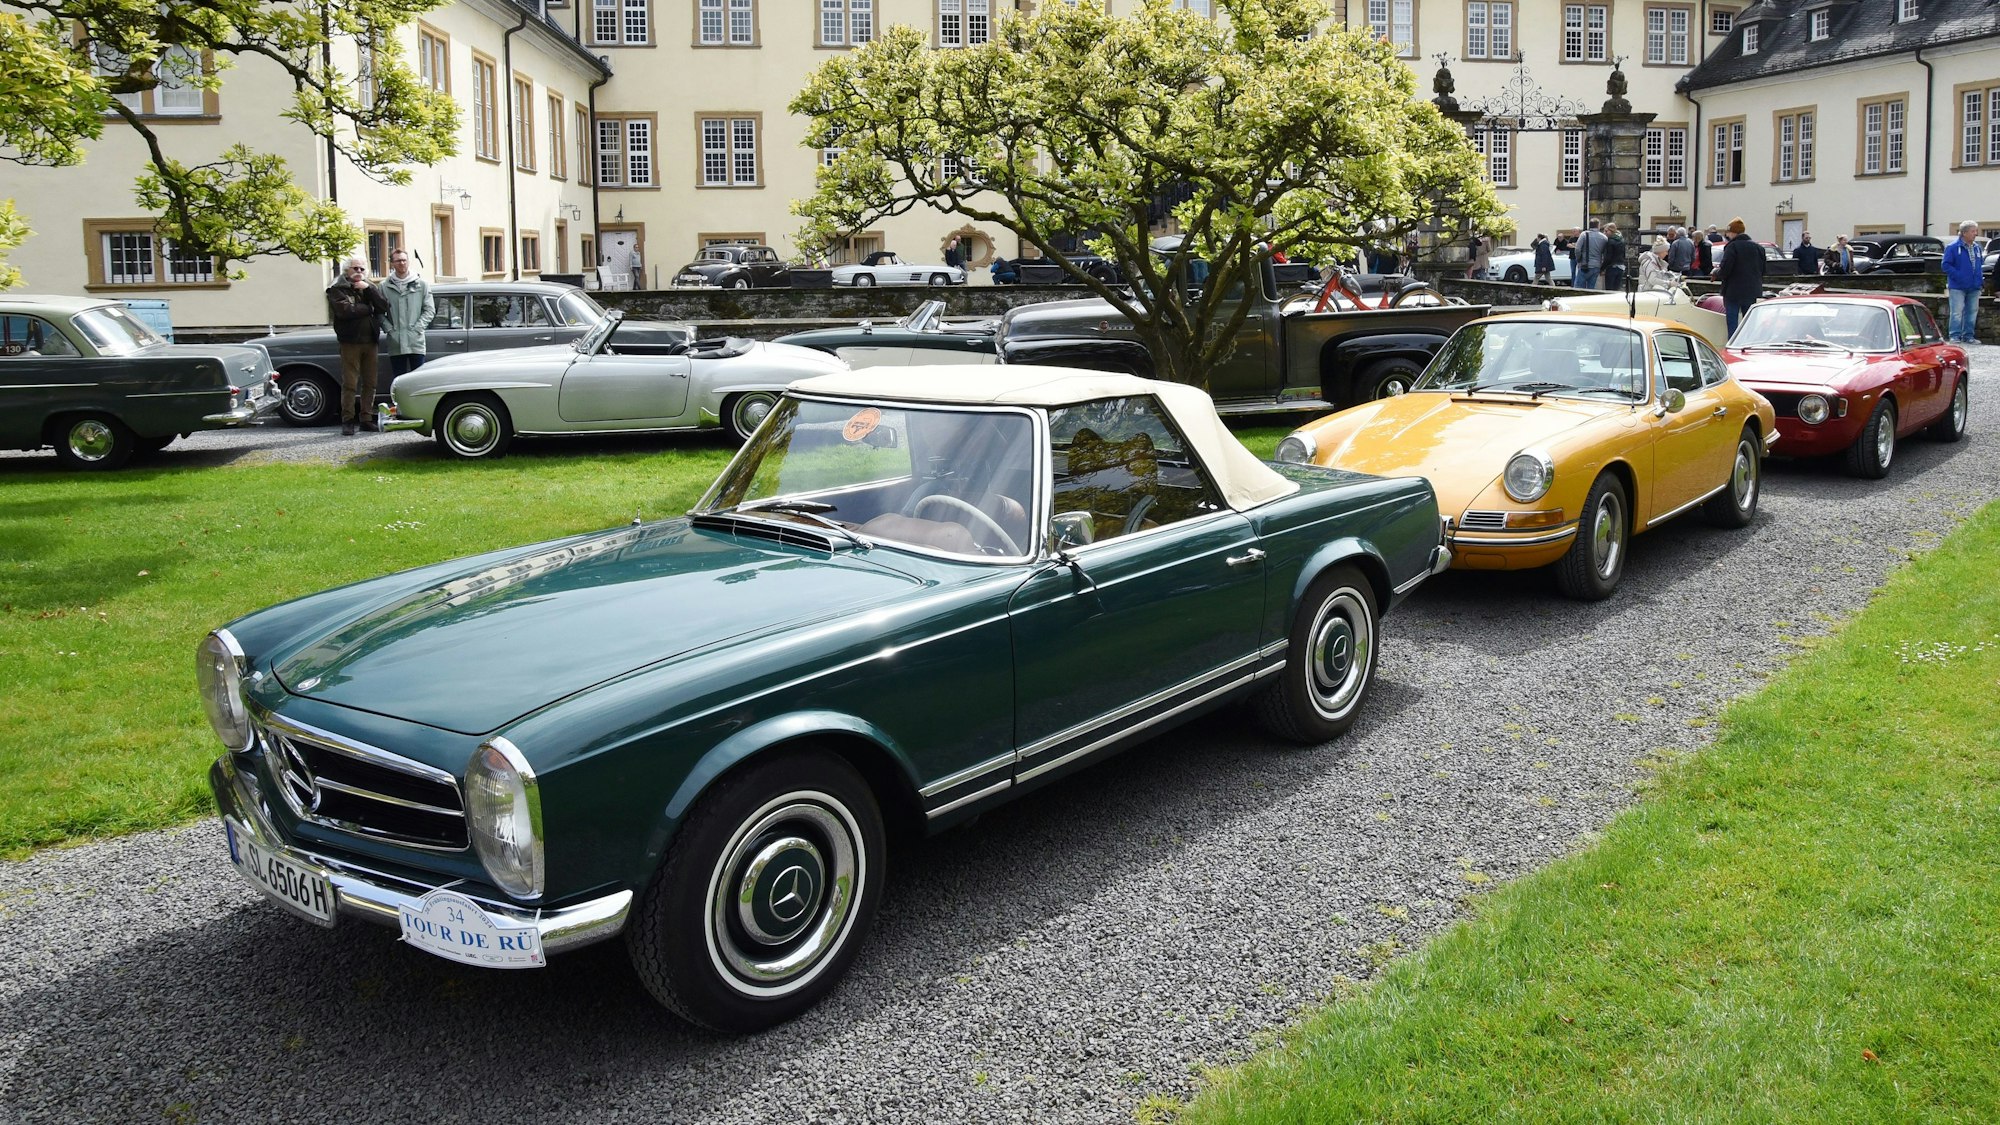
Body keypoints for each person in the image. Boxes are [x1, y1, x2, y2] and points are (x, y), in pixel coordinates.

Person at [325, 254, 390, 436]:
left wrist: (369, 290)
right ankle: (347, 420)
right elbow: (345, 311)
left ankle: (366, 419)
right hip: (350, 342)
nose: (359, 271)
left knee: (370, 382)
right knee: (350, 383)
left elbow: (384, 306)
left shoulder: (369, 287)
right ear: (347, 270)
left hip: (370, 341)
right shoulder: (337, 288)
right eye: (355, 268)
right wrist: (368, 308)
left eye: (362, 269)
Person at [381, 249, 434, 380]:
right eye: (398, 260)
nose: (402, 263)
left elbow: (429, 310)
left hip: (416, 341)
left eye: (404, 260)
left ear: (408, 262)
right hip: (396, 342)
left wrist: (417, 329)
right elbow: (378, 312)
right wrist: (389, 329)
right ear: (392, 263)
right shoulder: (384, 286)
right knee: (399, 379)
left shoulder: (421, 285)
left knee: (418, 379)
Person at [1715, 217, 1768, 336]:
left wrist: (1716, 272)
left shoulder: (1732, 247)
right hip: (1752, 291)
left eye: (1728, 232)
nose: (1727, 235)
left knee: (1732, 325)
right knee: (1749, 324)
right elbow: (1763, 270)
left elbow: (1725, 270)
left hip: (1733, 291)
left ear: (1733, 232)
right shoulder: (1759, 248)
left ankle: (1733, 344)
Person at [1941, 220, 1984, 343]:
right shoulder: (1953, 247)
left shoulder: (1977, 247)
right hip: (1957, 286)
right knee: (1957, 312)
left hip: (1974, 286)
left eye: (1976, 231)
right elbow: (1945, 265)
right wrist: (1959, 276)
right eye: (1973, 231)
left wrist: (1980, 281)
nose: (1975, 234)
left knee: (1972, 312)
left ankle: (1968, 336)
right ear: (1964, 233)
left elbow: (1979, 265)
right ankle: (1954, 335)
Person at [1574, 220, 1605, 290]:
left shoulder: (1584, 234)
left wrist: (1579, 260)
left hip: (1585, 265)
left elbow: (1577, 249)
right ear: (1598, 226)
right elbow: (1605, 253)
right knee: (1591, 289)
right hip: (1597, 266)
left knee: (1578, 288)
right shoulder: (1604, 237)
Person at [1601, 224, 1627, 290]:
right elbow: (1624, 254)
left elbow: (1608, 257)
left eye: (1606, 231)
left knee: (1609, 289)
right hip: (1621, 266)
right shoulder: (1621, 240)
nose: (1604, 233)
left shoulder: (1610, 241)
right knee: (1616, 289)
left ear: (1611, 231)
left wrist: (1602, 268)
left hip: (1612, 267)